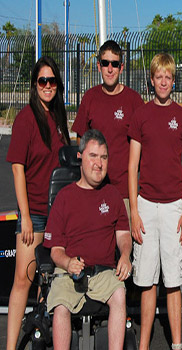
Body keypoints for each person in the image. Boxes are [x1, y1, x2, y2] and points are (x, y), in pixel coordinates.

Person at [128, 53, 182, 350]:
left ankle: (177, 344)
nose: (164, 81)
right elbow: (132, 166)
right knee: (146, 281)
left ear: (173, 80)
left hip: (174, 209)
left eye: (168, 76)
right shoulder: (141, 115)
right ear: (151, 80)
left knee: (173, 281)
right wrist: (134, 212)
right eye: (159, 77)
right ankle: (144, 344)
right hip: (145, 205)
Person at [43, 129, 132, 350]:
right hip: (69, 274)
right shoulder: (64, 197)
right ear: (81, 157)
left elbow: (123, 235)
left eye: (103, 157)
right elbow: (55, 250)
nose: (98, 164)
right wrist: (67, 262)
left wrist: (125, 255)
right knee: (61, 307)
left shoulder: (113, 196)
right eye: (93, 156)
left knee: (119, 294)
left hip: (104, 273)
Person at [6, 56, 71, 350]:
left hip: (57, 215)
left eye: (52, 81)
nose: (47, 86)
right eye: (42, 81)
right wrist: (27, 218)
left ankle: (41, 339)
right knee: (24, 278)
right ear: (34, 85)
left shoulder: (58, 119)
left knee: (50, 282)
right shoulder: (26, 119)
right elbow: (17, 168)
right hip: (34, 214)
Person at [72, 40, 144, 213]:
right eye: (105, 63)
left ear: (121, 67)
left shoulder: (134, 101)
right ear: (99, 66)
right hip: (94, 190)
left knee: (125, 240)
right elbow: (81, 138)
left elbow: (146, 142)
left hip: (126, 193)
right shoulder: (90, 98)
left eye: (114, 64)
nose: (110, 69)